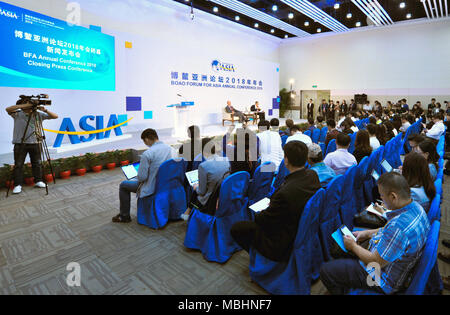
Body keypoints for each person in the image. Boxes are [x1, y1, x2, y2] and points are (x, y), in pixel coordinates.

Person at [320, 172, 430, 295]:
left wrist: (353, 246)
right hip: (386, 260)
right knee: (342, 252)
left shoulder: (398, 228)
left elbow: (375, 262)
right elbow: (387, 229)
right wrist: (366, 233)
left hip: (380, 279)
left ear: (393, 197)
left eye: (382, 196)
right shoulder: (416, 207)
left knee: (326, 270)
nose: (381, 200)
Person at [230, 141, 321, 262]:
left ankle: (260, 259)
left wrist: (262, 211)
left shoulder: (285, 193)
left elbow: (264, 221)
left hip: (283, 240)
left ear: (286, 160)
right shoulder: (312, 175)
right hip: (302, 227)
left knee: (237, 228)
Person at [112, 129, 174, 223]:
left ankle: (124, 216)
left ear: (147, 139)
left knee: (123, 185)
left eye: (144, 141)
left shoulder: (148, 154)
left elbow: (142, 178)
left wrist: (137, 176)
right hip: (166, 184)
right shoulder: (171, 149)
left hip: (152, 186)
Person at [6, 99, 59, 194]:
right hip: (20, 143)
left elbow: (55, 116)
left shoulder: (38, 114)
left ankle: (38, 181)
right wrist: (24, 106)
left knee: (37, 163)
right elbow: (7, 109)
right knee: (18, 165)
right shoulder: (17, 114)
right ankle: (18, 185)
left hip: (36, 142)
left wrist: (44, 110)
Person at [181, 137, 230, 220]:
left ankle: (188, 212)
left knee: (196, 191)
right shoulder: (226, 160)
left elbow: (202, 192)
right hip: (224, 193)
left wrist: (196, 187)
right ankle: (187, 212)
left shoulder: (204, 166)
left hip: (210, 200)